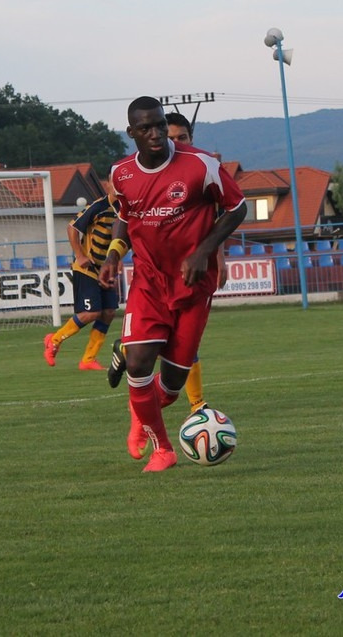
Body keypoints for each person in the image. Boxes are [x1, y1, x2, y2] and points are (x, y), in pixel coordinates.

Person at [99, 96, 248, 472]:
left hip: (193, 285)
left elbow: (237, 207)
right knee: (138, 365)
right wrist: (114, 254)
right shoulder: (121, 173)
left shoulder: (201, 165)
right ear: (131, 132)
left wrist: (204, 251)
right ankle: (162, 450)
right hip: (148, 281)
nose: (156, 133)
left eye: (160, 125)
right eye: (146, 128)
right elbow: (125, 216)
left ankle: (141, 415)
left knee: (170, 386)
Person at [164, 111, 229, 412]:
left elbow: (220, 218)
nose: (177, 143)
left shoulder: (203, 171)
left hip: (195, 270)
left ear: (191, 139)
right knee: (157, 339)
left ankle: (196, 404)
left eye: (183, 137)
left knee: (187, 341)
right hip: (159, 271)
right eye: (171, 138)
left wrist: (220, 258)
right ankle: (127, 352)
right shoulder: (147, 173)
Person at [42, 192, 119, 370]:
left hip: (105, 268)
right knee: (90, 313)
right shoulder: (99, 206)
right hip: (87, 268)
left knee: (108, 312)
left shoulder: (124, 209)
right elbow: (72, 227)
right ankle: (54, 340)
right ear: (110, 184)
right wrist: (79, 255)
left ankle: (88, 359)